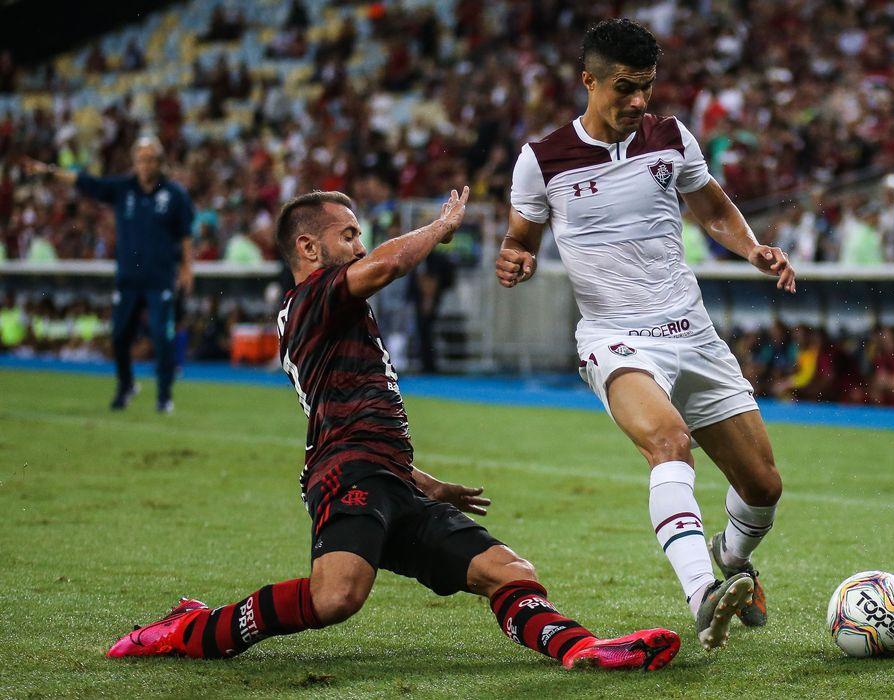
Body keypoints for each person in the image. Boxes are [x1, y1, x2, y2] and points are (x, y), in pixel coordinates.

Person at [105, 188, 681, 672]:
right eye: (349, 235)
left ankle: (586, 650)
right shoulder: (312, 296)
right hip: (349, 475)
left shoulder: (330, 314)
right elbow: (386, 266)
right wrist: (441, 226)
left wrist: (420, 480)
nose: (359, 246)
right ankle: (191, 629)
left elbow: (346, 414)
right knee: (336, 597)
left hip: (388, 478)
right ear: (308, 246)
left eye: (359, 236)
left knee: (508, 572)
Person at [496, 19, 794, 651]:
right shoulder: (541, 159)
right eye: (625, 88)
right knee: (669, 442)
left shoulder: (669, 137)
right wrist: (514, 258)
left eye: (647, 88)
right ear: (589, 80)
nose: (637, 102)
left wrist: (752, 249)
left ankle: (732, 558)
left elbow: (711, 206)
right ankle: (701, 594)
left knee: (763, 486)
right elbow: (520, 239)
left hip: (693, 333)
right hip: (615, 336)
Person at [24, 136, 194, 413]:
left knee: (162, 338)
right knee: (118, 336)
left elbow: (186, 235)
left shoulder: (175, 195)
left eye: (151, 158)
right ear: (134, 162)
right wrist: (48, 171)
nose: (146, 164)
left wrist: (188, 268)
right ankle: (126, 384)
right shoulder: (123, 188)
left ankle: (164, 395)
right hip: (127, 279)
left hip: (160, 279)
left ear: (160, 162)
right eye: (141, 158)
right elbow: (86, 182)